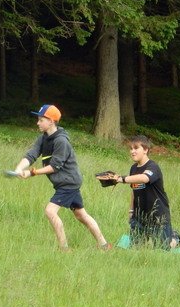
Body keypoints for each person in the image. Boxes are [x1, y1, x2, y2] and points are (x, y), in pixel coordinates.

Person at [12, 104, 112, 251]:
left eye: (41, 120)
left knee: (50, 211)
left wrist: (32, 173)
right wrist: (19, 168)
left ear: (51, 121)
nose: (37, 123)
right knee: (81, 215)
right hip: (65, 183)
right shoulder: (43, 138)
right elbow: (31, 154)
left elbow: (54, 166)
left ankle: (64, 249)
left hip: (68, 183)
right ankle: (104, 245)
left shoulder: (61, 141)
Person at [97, 135, 180, 249]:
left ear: (145, 150)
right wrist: (131, 211)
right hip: (139, 216)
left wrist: (121, 179)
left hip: (158, 216)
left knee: (163, 249)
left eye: (136, 148)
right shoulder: (133, 168)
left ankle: (175, 238)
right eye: (131, 148)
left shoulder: (153, 167)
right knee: (136, 248)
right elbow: (134, 190)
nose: (132, 151)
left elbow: (144, 178)